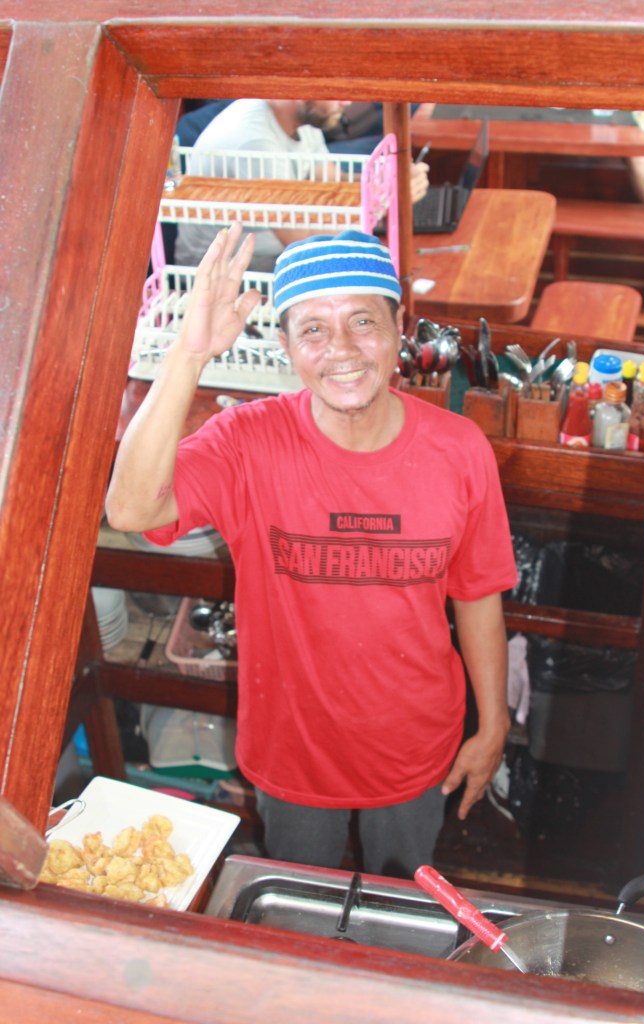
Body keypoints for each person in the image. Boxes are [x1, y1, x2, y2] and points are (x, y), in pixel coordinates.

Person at [105, 225, 517, 878]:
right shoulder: (246, 442)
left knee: (400, 897)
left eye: (363, 321)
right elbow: (130, 509)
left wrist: (492, 726)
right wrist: (189, 353)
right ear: (286, 346)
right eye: (314, 330)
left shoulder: (459, 449)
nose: (342, 350)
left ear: (400, 328)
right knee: (297, 905)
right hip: (291, 748)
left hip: (416, 746)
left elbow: (477, 592)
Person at [174, 98, 429, 271]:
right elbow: (303, 243)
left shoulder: (301, 118)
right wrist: (386, 199)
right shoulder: (255, 143)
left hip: (272, 248)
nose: (347, 102)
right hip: (226, 270)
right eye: (336, 92)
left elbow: (331, 180)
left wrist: (388, 181)